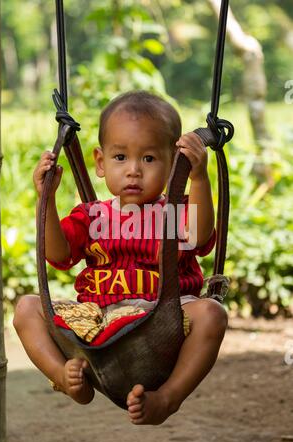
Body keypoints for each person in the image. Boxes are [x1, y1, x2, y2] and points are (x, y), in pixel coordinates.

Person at [13, 91, 227, 425]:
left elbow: (198, 238)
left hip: (163, 316)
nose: (133, 171)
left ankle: (168, 398)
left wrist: (197, 176)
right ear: (100, 162)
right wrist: (47, 200)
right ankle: (67, 378)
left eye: (149, 159)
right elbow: (58, 254)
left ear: (173, 163)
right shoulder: (92, 215)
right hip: (97, 316)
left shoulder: (171, 211)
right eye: (120, 158)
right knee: (27, 308)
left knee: (213, 313)